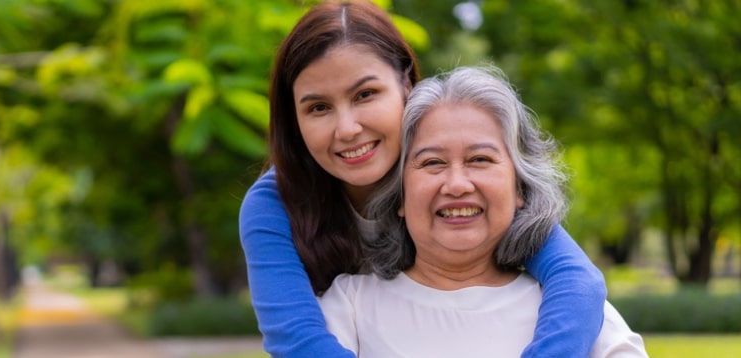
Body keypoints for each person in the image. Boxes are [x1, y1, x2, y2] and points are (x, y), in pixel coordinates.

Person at [238, 1, 607, 356]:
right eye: (318, 107)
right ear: (294, 119)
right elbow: (298, 343)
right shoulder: (273, 205)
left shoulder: (455, 185)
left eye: (365, 94)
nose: (347, 129)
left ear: (406, 86)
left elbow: (578, 282)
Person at [317, 65, 648, 357]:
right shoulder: (350, 306)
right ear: (399, 196)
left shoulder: (577, 314)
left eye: (480, 160)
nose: (457, 184)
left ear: (520, 188)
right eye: (432, 162)